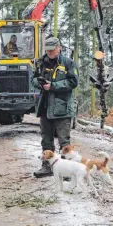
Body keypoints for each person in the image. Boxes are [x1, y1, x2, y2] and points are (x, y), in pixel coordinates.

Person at [31, 37, 79, 178]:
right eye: (48, 49)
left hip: (62, 108)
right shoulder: (40, 63)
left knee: (64, 141)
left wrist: (53, 86)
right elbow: (33, 79)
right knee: (46, 139)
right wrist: (39, 83)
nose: (50, 52)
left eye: (53, 49)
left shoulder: (68, 63)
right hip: (45, 107)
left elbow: (73, 82)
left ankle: (67, 171)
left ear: (59, 48)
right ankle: (47, 167)